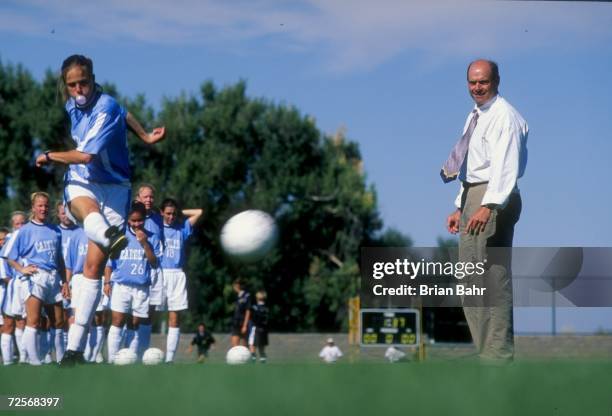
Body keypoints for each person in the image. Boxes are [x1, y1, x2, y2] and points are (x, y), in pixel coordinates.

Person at [34, 54, 165, 365]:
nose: (78, 89)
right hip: (83, 183)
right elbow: (127, 112)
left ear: (93, 80)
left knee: (92, 270)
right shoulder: (74, 104)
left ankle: (75, 350)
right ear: (65, 85)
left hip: (115, 187)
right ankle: (108, 234)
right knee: (84, 207)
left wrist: (49, 155)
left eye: (83, 83)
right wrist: (145, 135)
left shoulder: (104, 107)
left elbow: (85, 156)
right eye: (72, 85)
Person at [442, 59, 528, 361]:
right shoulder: (476, 115)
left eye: (483, 81)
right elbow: (472, 163)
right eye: (472, 82)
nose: (477, 87)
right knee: (469, 279)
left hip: (493, 197)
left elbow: (505, 166)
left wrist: (489, 206)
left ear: (497, 81)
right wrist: (460, 205)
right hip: (472, 195)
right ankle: (487, 355)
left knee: (493, 280)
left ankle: (498, 358)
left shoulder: (505, 116)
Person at [3, 192, 66, 365]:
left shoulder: (56, 230)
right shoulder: (23, 231)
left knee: (59, 322)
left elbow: (59, 258)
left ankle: (61, 360)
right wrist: (22, 269)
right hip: (36, 278)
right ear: (33, 207)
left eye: (46, 205)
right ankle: (34, 361)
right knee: (34, 321)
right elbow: (8, 255)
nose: (43, 208)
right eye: (40, 205)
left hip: (54, 279)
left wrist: (65, 281)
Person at [104, 201, 160, 363]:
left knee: (135, 324)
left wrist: (144, 243)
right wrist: (107, 282)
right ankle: (112, 360)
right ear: (128, 219)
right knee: (117, 321)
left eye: (140, 220)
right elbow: (109, 262)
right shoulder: (120, 236)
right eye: (133, 220)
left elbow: (154, 262)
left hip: (141, 287)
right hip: (121, 285)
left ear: (144, 219)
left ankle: (130, 359)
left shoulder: (152, 237)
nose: (136, 224)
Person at [159, 198, 203, 363]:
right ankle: (139, 353)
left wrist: (180, 212)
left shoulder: (181, 228)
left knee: (175, 318)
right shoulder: (156, 227)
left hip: (177, 274)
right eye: (168, 213)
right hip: (160, 274)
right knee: (145, 316)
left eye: (173, 214)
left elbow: (199, 212)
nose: (171, 217)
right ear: (161, 212)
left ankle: (169, 359)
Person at [1, 211, 29, 364]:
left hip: (29, 283)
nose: (20, 226)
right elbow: (4, 262)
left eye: (23, 223)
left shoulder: (29, 235)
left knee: (25, 321)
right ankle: (7, 361)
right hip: (13, 285)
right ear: (13, 226)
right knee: (10, 322)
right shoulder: (9, 240)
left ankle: (24, 358)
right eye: (17, 224)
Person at [248, 290, 269, 363]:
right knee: (261, 346)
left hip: (255, 328)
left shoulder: (255, 307)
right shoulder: (266, 308)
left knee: (252, 344)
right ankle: (263, 359)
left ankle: (253, 358)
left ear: (257, 298)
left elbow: (252, 317)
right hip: (264, 329)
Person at [230, 279, 251, 347]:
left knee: (244, 346)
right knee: (234, 346)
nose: (233, 287)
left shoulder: (247, 296)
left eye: (234, 285)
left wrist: (245, 325)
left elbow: (248, 311)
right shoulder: (236, 296)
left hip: (243, 322)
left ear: (238, 285)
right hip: (235, 322)